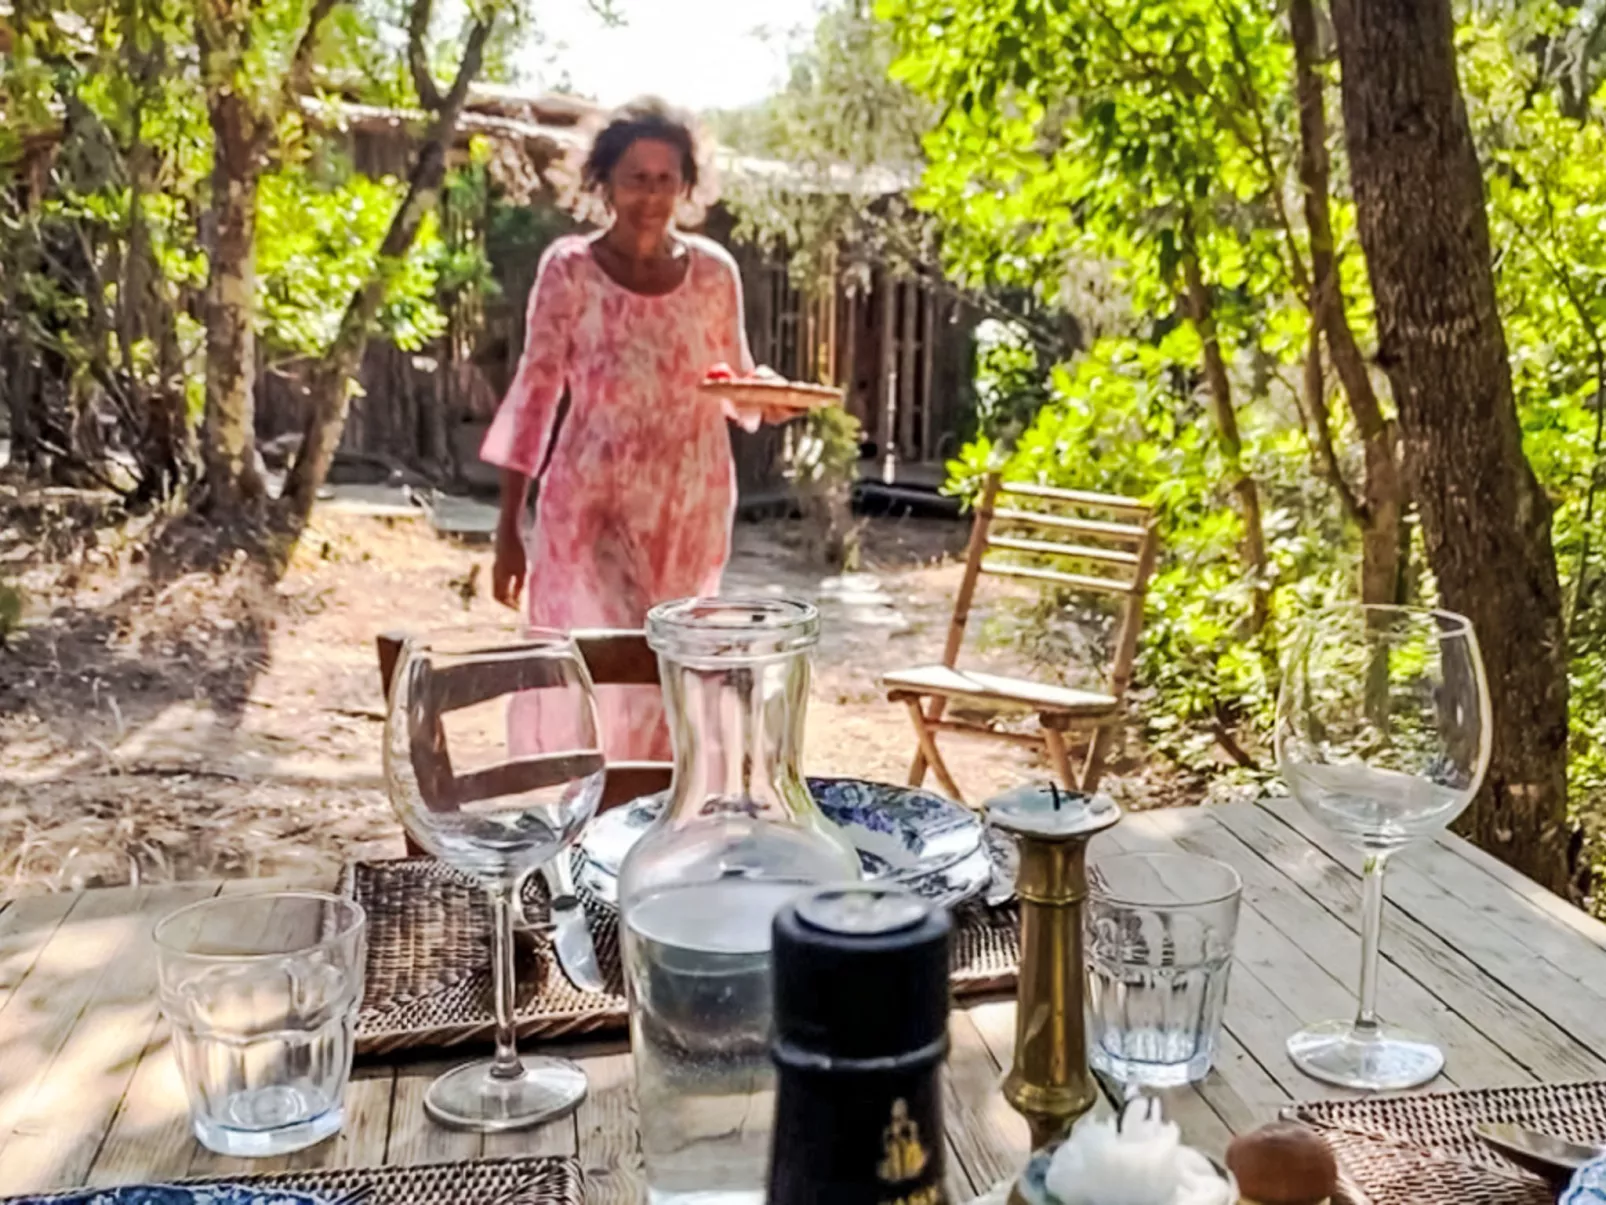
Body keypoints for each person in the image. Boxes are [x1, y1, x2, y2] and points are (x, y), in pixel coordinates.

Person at [481, 97, 784, 761]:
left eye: (664, 178)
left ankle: (649, 819)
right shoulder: (569, 270)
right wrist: (508, 527)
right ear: (606, 182)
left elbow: (732, 379)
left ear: (686, 185)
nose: (650, 195)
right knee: (617, 654)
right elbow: (534, 394)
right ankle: (582, 803)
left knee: (670, 666)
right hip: (591, 502)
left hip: (689, 504)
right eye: (635, 177)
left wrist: (768, 397)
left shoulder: (712, 273)